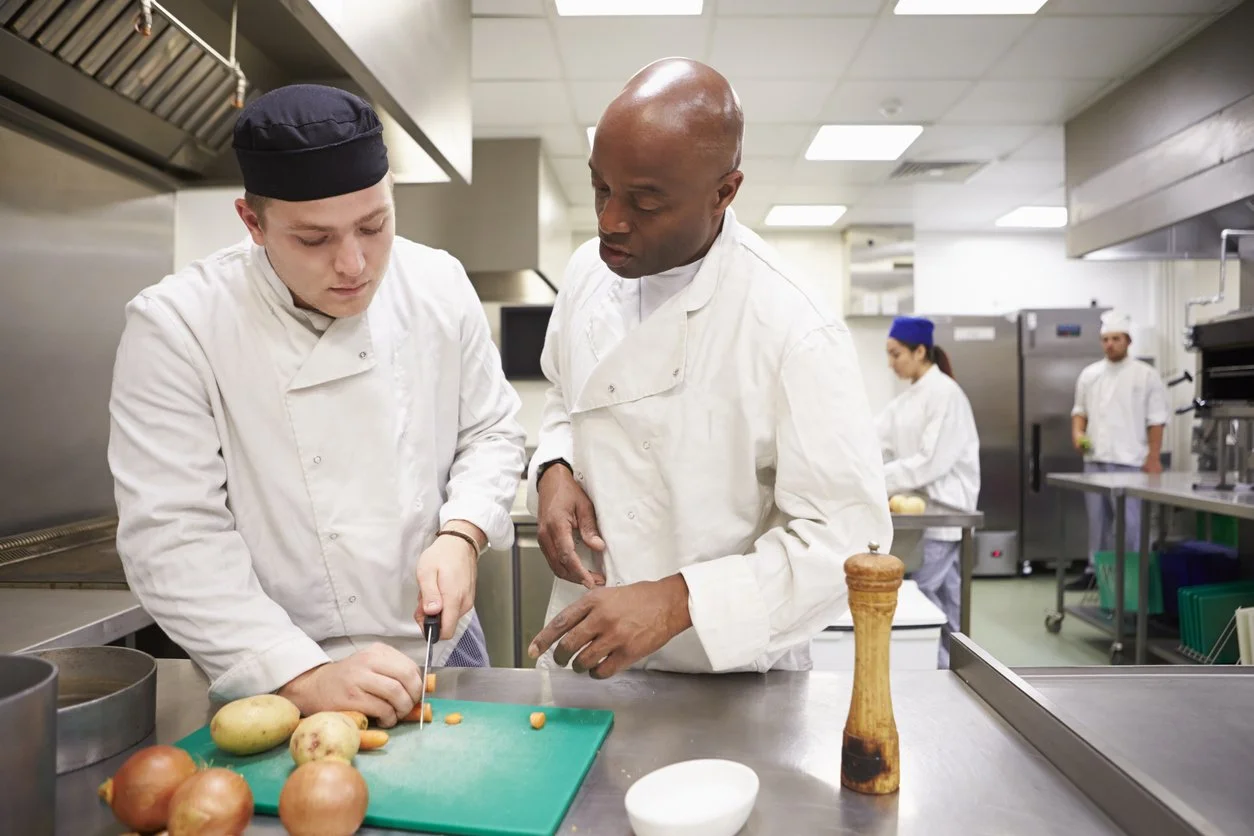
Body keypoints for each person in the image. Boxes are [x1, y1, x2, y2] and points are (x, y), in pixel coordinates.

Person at [107, 84, 526, 726]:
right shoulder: (178, 325)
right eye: (313, 240)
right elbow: (172, 533)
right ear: (253, 224)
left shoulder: (437, 284)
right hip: (277, 659)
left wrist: (462, 532)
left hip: (442, 643)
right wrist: (300, 674)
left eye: (374, 225)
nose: (354, 264)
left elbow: (492, 431)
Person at [524, 58, 892, 679]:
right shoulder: (590, 270)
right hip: (584, 653)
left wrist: (677, 600)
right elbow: (565, 392)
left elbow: (847, 540)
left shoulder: (793, 324)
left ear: (724, 193)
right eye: (600, 188)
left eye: (644, 201)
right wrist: (555, 468)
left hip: (727, 673)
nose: (610, 220)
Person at [876, 316, 980, 668]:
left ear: (920, 351)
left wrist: (877, 478)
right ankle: (952, 669)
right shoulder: (909, 398)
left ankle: (936, 670)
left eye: (896, 354)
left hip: (946, 508)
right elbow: (875, 437)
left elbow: (929, 461)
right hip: (926, 510)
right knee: (946, 599)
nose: (891, 363)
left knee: (923, 596)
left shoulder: (945, 393)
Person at [1066, 309, 1168, 591]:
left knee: (1132, 527)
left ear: (1128, 340)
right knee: (1098, 523)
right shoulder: (1090, 375)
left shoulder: (1146, 376)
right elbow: (1079, 411)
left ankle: (1134, 578)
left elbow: (1157, 419)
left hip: (1131, 464)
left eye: (1116, 338)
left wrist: (1153, 457)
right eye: (1106, 339)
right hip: (1096, 461)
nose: (1110, 344)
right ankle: (1095, 574)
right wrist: (1077, 433)